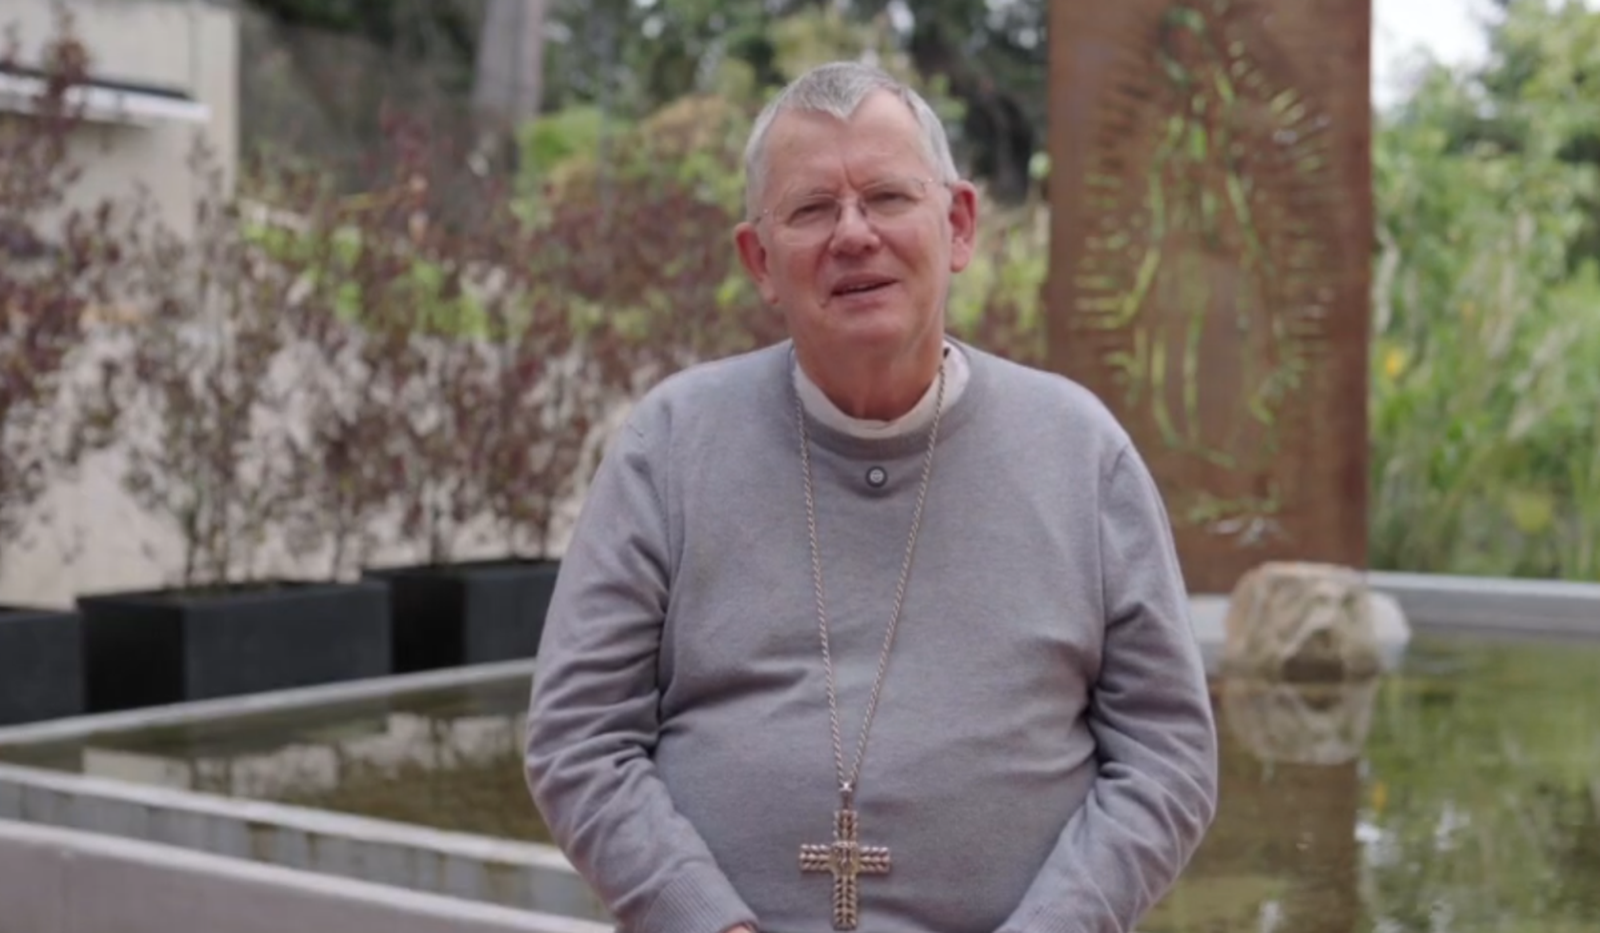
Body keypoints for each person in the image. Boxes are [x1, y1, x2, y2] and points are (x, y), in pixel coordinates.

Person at [524, 60, 1219, 933]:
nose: (853, 234)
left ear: (958, 223)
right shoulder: (670, 445)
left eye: (887, 198)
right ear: (760, 260)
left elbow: (1167, 757)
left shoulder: (1082, 453)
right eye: (812, 209)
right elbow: (579, 738)